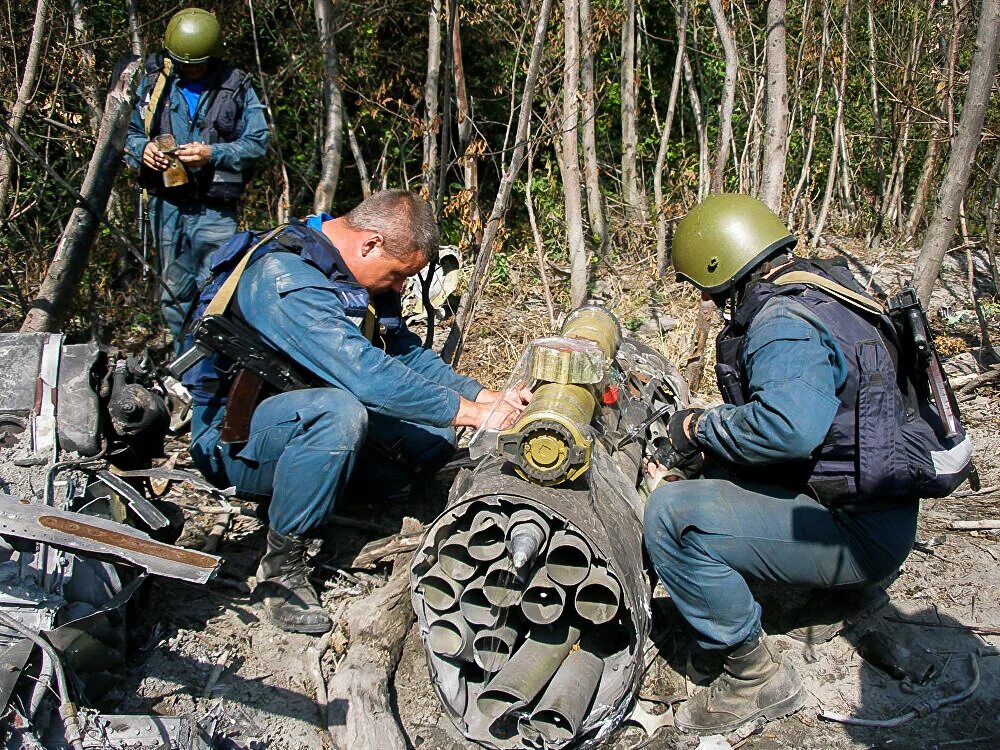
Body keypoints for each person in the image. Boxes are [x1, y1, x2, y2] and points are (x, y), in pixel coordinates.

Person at [183, 190, 526, 634]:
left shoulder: (350, 274)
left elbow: (403, 354)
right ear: (370, 244)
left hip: (300, 415)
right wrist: (470, 414)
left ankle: (315, 490)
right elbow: (365, 376)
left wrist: (484, 397)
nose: (401, 287)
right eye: (400, 276)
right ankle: (281, 568)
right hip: (235, 439)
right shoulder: (285, 277)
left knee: (432, 443)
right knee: (338, 414)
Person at [642, 194, 923, 734]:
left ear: (720, 265)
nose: (705, 297)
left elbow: (789, 429)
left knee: (672, 517)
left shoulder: (781, 322)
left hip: (856, 537)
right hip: (874, 511)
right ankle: (833, 591)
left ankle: (753, 676)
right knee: (710, 470)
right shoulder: (826, 288)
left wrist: (698, 426)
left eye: (704, 285)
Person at [125, 8, 269, 346]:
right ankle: (184, 367)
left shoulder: (236, 87)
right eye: (183, 62)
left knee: (216, 292)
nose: (190, 69)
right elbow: (128, 134)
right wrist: (141, 149)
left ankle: (213, 370)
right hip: (166, 206)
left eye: (198, 63)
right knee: (174, 295)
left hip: (215, 209)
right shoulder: (154, 84)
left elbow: (257, 144)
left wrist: (212, 154)